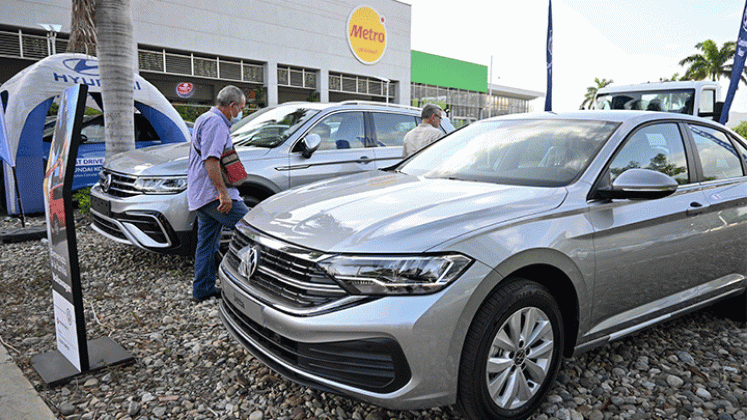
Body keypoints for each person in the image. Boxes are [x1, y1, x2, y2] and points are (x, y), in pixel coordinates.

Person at [187, 85, 249, 303]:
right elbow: (211, 161)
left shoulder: (205, 118)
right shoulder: (216, 123)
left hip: (201, 193)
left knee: (207, 243)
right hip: (212, 194)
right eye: (240, 108)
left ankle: (202, 290)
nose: (241, 112)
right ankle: (253, 285)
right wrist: (223, 194)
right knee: (251, 229)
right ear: (231, 106)